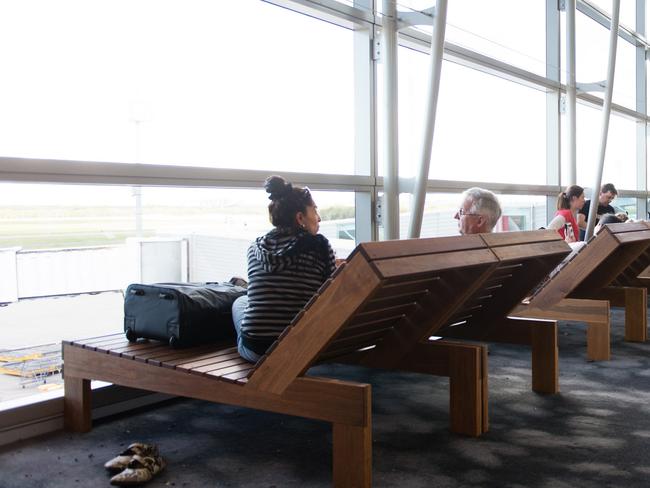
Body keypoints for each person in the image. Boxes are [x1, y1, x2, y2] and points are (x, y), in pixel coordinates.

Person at [231, 176, 337, 363]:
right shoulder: (320, 246)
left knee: (241, 301)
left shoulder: (254, 248)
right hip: (301, 348)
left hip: (256, 350)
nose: (318, 218)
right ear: (300, 218)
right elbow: (330, 294)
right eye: (314, 210)